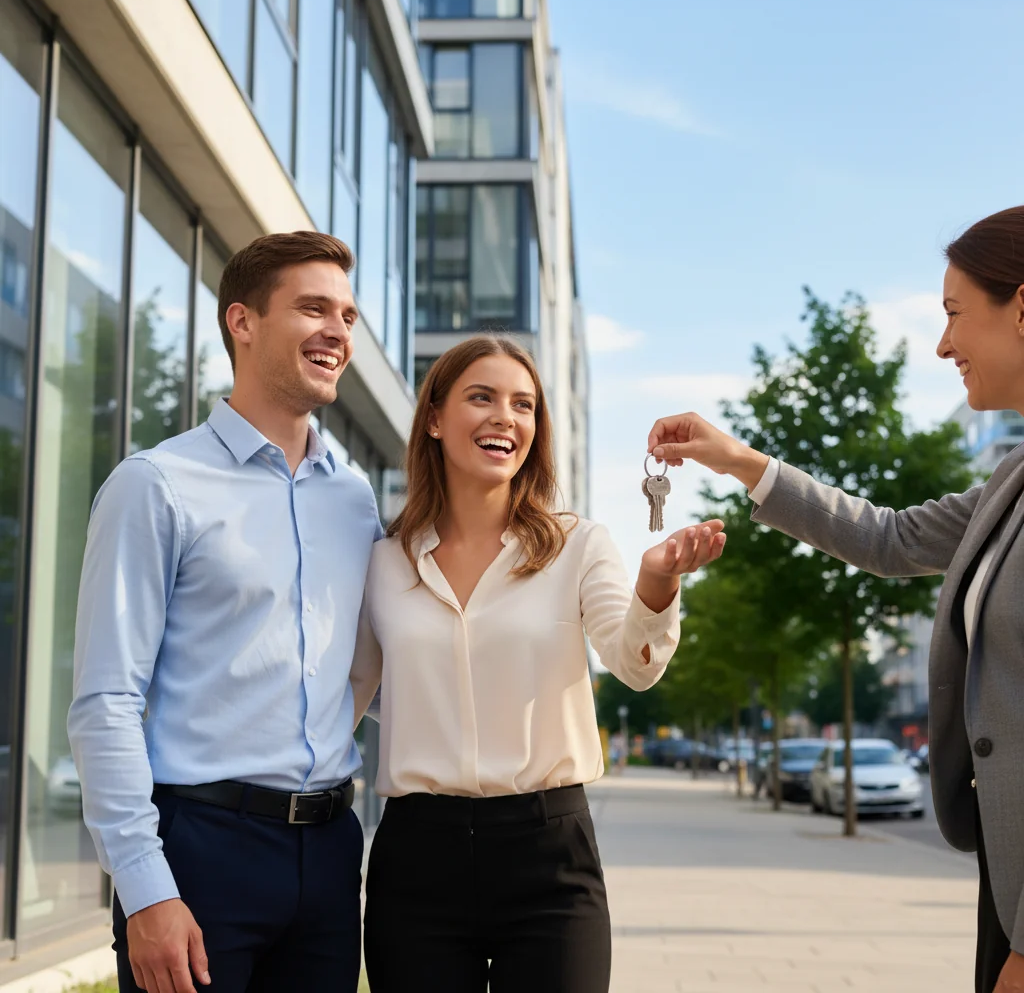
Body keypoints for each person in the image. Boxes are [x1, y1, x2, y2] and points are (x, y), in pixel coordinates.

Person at [646, 204, 1024, 993]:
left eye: (955, 315)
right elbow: (886, 538)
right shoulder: (1010, 484)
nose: (943, 343)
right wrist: (739, 460)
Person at [349, 336, 727, 993]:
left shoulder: (578, 545)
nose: (507, 417)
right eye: (482, 397)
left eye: (524, 405)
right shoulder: (384, 561)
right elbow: (356, 694)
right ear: (434, 419)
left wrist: (657, 584)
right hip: (417, 857)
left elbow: (632, 663)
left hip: (548, 851)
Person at [68, 232, 377, 993]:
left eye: (347, 314)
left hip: (333, 850)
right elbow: (106, 701)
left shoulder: (354, 497)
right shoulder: (156, 485)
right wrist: (147, 889)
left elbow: (365, 669)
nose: (338, 331)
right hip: (202, 850)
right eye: (313, 308)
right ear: (242, 322)